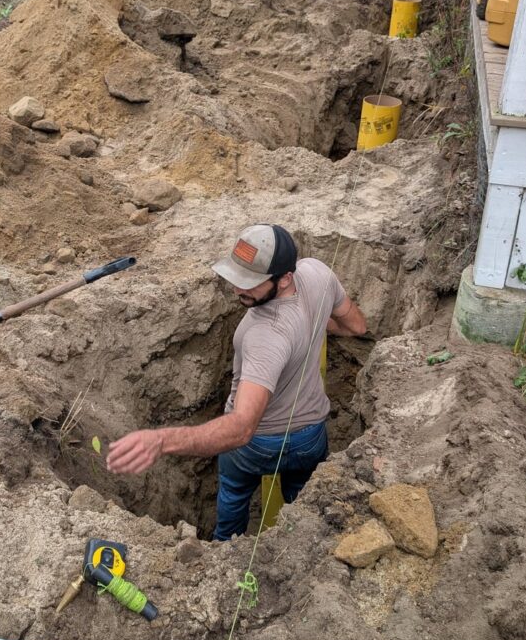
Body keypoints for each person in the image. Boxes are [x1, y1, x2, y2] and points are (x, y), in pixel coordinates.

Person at [107, 224, 367, 541]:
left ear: (284, 277)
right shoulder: (318, 272)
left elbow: (242, 428)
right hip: (310, 437)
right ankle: (297, 543)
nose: (237, 289)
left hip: (254, 446)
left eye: (250, 283)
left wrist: (161, 441)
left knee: (233, 494)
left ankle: (225, 548)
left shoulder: (263, 335)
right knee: (303, 509)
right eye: (236, 277)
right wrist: (310, 326)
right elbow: (355, 325)